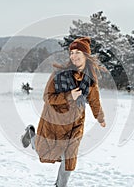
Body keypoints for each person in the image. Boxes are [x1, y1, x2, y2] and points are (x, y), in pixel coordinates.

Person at [21, 37, 106, 187]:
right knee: (43, 153)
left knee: (69, 159)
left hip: (75, 125)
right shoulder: (58, 75)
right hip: (54, 120)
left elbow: (94, 101)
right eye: (71, 52)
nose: (73, 55)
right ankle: (31, 135)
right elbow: (47, 97)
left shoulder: (90, 80)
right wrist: (68, 96)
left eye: (77, 52)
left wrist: (100, 118)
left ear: (86, 55)